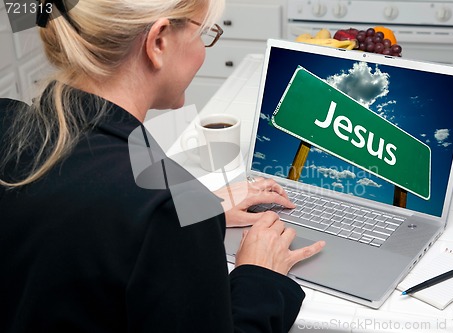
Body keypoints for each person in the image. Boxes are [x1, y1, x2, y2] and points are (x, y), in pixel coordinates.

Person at [0, 0, 325, 332]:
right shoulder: (162, 214)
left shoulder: (7, 118)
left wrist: (198, 203)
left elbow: (96, 162)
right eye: (204, 35)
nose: (203, 50)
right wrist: (261, 276)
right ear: (159, 42)